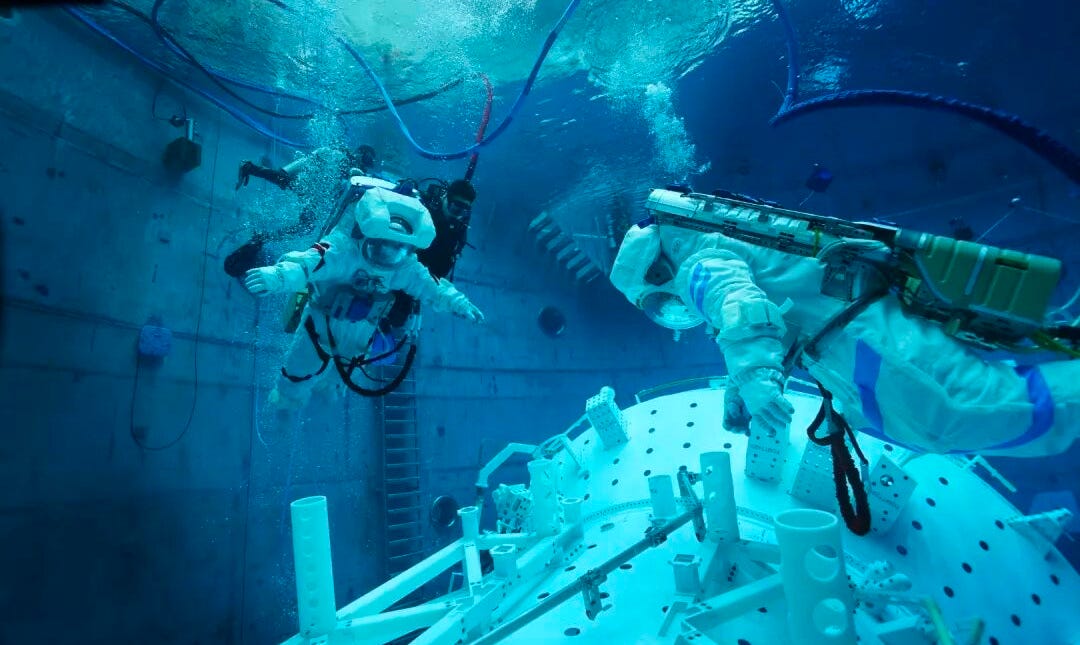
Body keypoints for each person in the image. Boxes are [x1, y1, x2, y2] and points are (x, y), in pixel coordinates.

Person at [610, 188, 1080, 458]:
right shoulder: (713, 251)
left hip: (862, 337)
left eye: (662, 305)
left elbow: (742, 308)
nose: (675, 314)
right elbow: (763, 317)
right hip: (850, 342)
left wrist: (754, 381)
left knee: (965, 410)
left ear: (657, 272)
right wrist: (742, 389)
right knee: (940, 421)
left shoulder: (696, 265)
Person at [244, 182, 485, 409]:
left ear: (408, 248)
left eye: (397, 249)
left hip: (364, 328)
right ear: (368, 234)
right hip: (320, 322)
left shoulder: (404, 266)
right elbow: (308, 262)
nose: (387, 256)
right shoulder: (344, 250)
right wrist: (276, 276)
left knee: (347, 371)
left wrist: (458, 303)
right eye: (382, 246)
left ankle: (329, 390)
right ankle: (286, 400)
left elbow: (432, 286)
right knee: (300, 368)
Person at [224, 145, 380, 278]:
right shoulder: (348, 161)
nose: (367, 165)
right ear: (362, 154)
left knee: (304, 223)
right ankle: (249, 168)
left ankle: (263, 237)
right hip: (313, 180)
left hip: (314, 184)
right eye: (368, 160)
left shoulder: (345, 159)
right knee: (287, 185)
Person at [380, 178, 477, 334]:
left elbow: (442, 268)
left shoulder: (458, 228)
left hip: (419, 282)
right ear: (445, 197)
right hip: (392, 267)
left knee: (396, 320)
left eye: (464, 211)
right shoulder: (419, 209)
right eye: (455, 209)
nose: (458, 216)